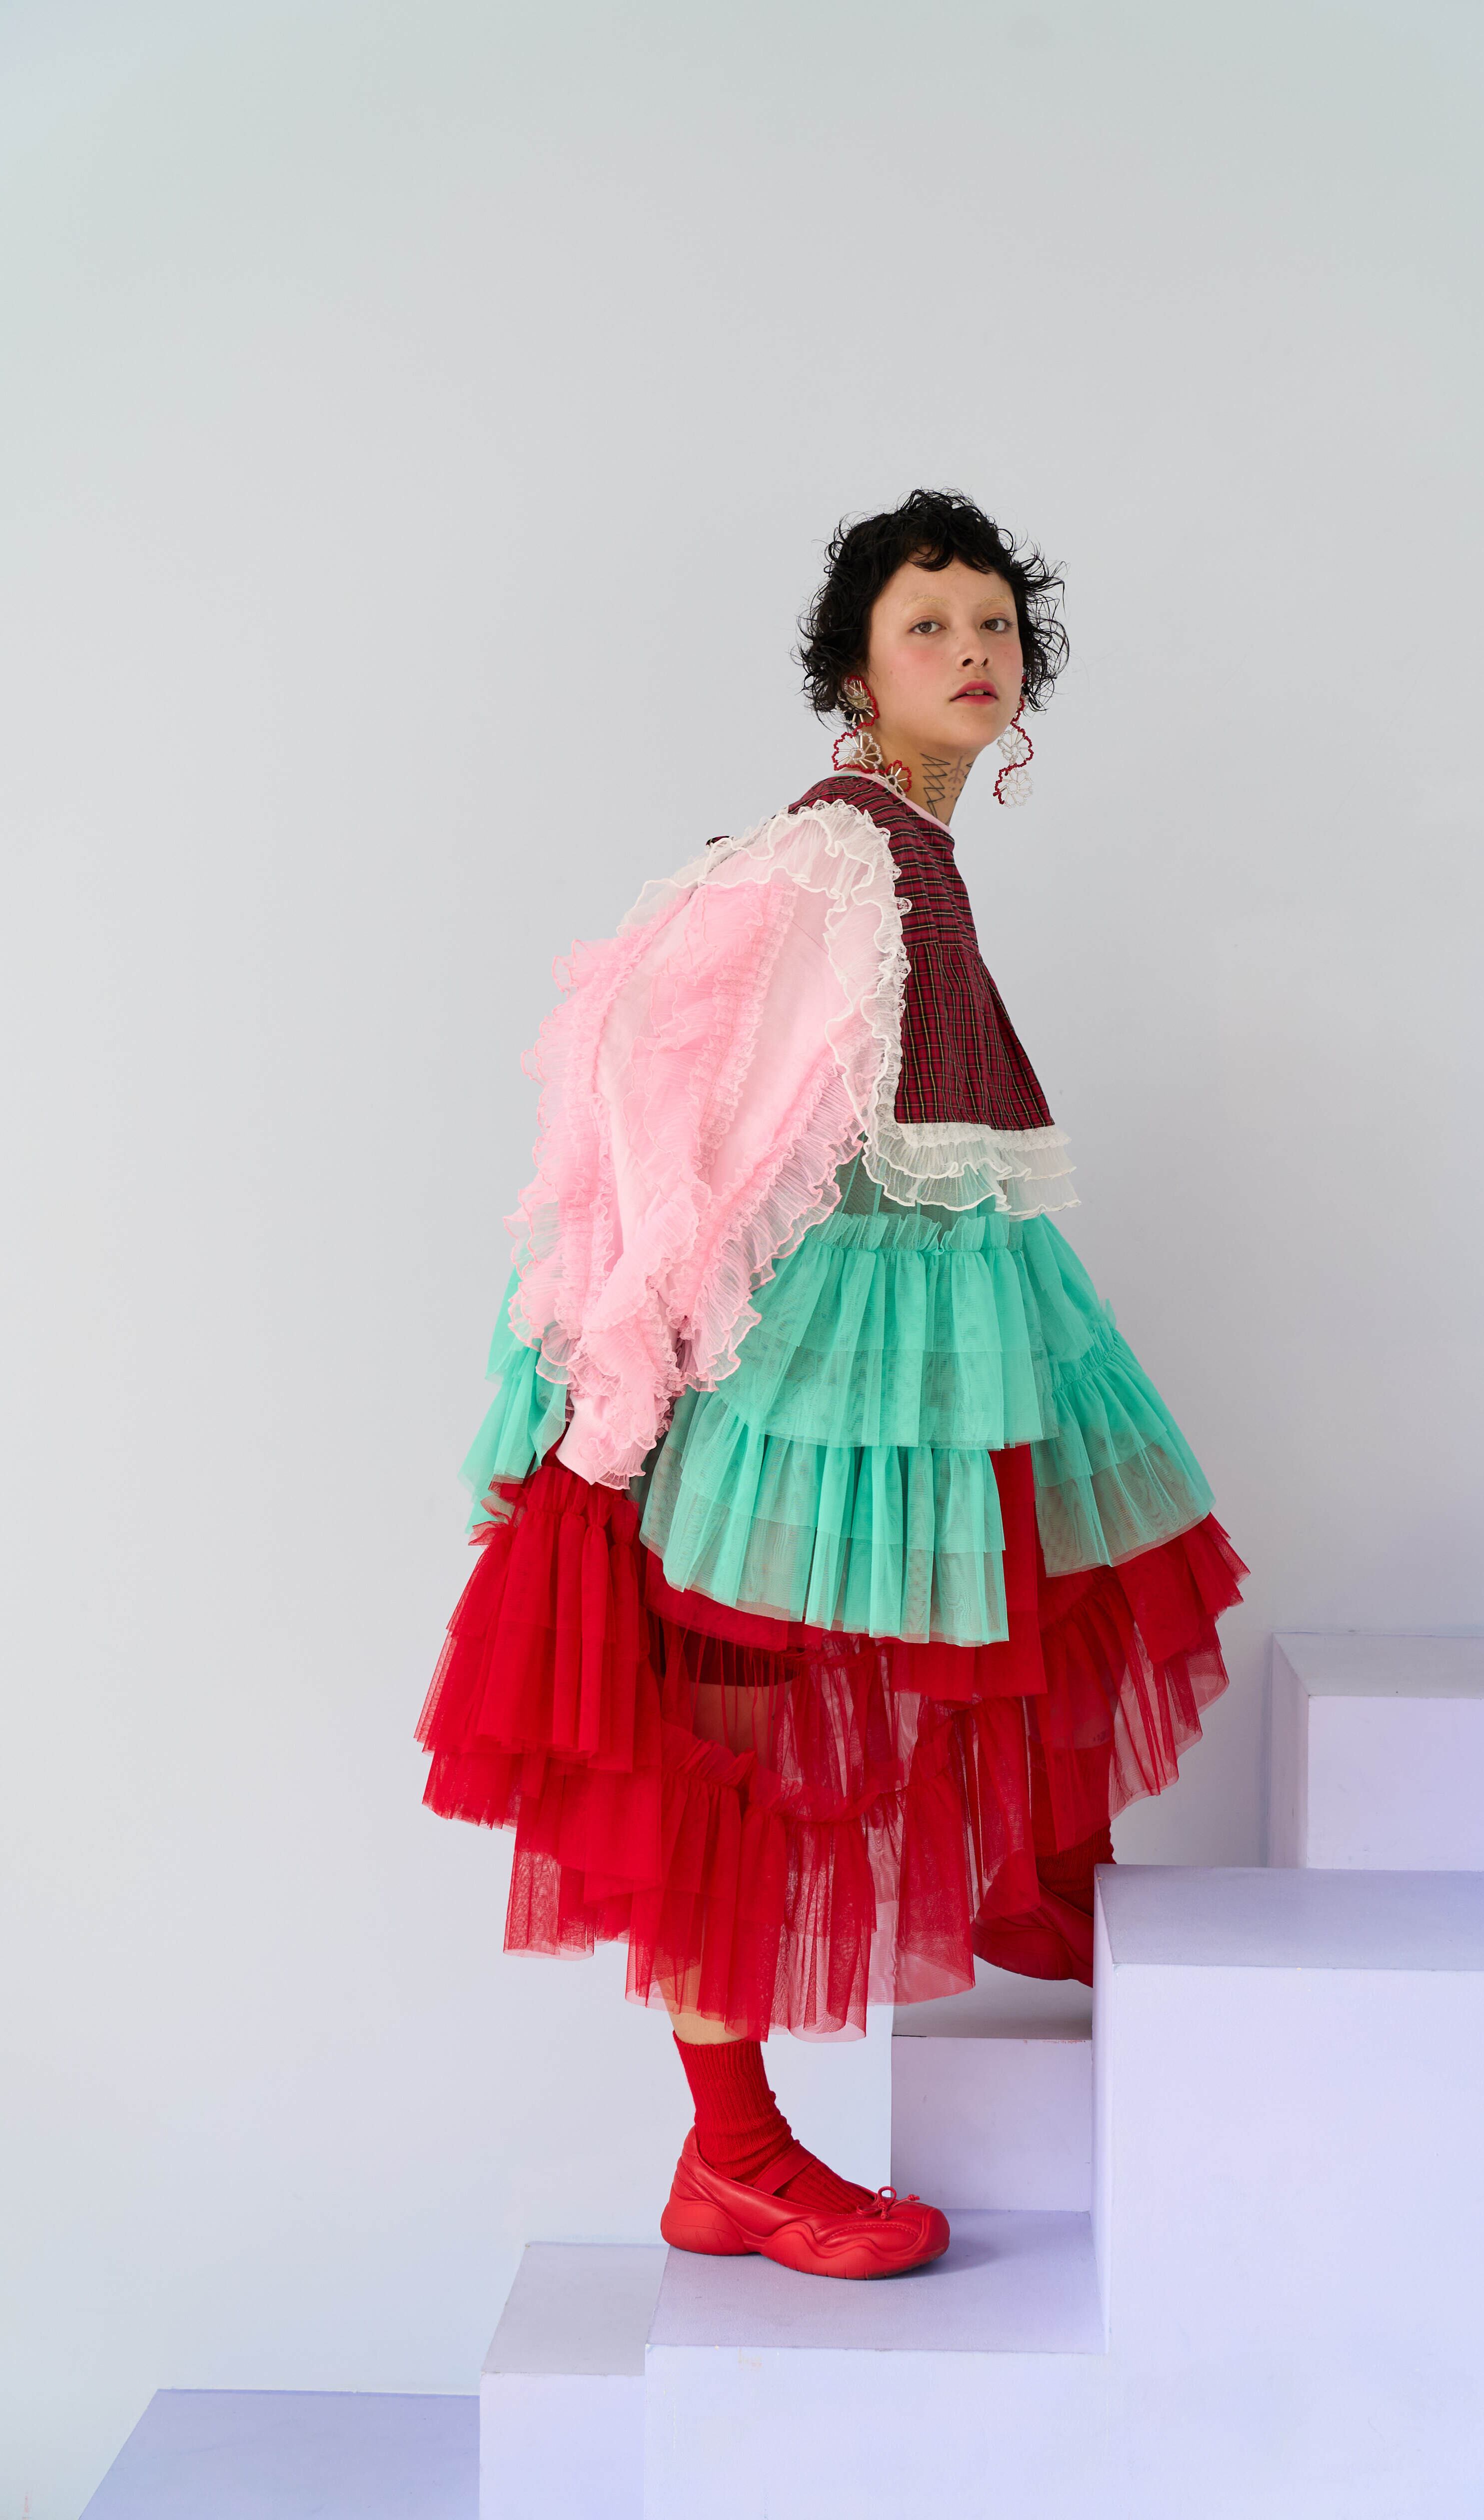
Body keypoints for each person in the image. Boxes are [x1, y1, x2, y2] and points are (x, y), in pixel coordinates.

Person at [416, 488, 1247, 2282]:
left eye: (996, 625)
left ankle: (1029, 1896)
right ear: (857, 673)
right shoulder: (831, 857)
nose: (973, 651)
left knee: (1034, 1595)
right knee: (727, 1752)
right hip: (791, 1376)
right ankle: (733, 2159)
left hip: (920, 1349)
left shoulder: (908, 854)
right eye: (927, 625)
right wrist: (619, 1383)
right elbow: (661, 1105)